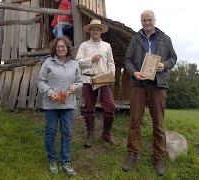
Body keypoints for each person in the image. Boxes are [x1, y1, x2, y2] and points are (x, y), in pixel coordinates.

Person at [122, 10, 177, 176]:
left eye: (149, 19)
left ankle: (158, 157)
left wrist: (164, 65)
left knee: (158, 123)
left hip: (158, 84)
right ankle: (132, 154)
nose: (147, 22)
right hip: (138, 84)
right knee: (134, 121)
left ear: (154, 20)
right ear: (141, 21)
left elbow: (173, 58)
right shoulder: (135, 39)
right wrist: (134, 73)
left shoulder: (165, 39)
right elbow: (128, 60)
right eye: (144, 20)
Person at [37, 36, 83, 176]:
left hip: (68, 104)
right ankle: (52, 160)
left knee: (67, 133)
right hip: (51, 104)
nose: (60, 48)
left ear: (67, 48)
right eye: (58, 47)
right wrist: (49, 92)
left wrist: (75, 86)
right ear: (54, 49)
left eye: (63, 46)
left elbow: (80, 81)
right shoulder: (48, 63)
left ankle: (65, 161)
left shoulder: (74, 64)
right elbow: (40, 81)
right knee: (51, 131)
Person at [76, 19, 118, 148]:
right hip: (88, 79)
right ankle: (90, 134)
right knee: (89, 108)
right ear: (90, 31)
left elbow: (111, 62)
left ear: (101, 32)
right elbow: (77, 62)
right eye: (93, 29)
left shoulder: (107, 46)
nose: (95, 31)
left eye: (98, 29)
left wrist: (111, 75)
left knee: (110, 106)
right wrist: (91, 60)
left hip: (103, 79)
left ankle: (106, 133)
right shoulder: (84, 45)